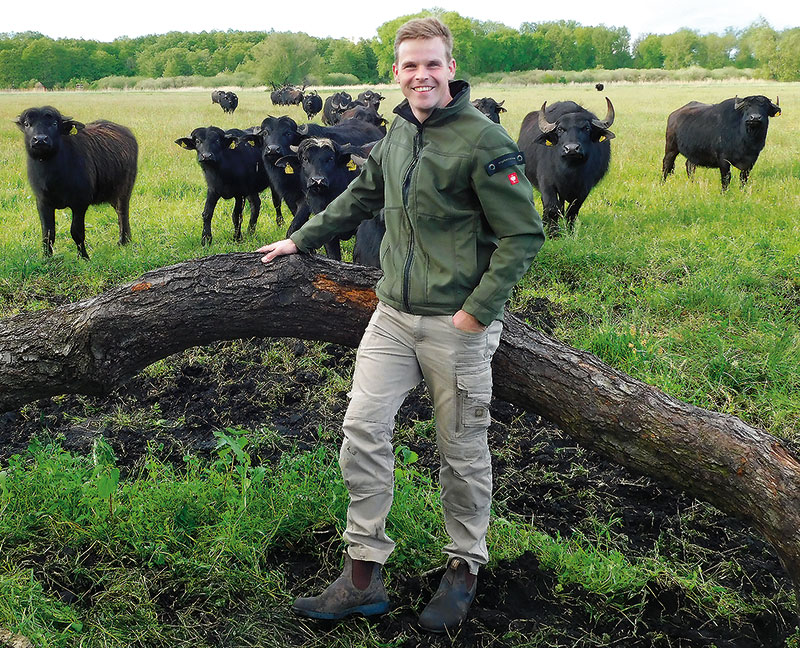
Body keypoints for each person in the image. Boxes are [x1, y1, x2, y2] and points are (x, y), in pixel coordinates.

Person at [257, 16, 545, 634]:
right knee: (361, 430)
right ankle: (363, 574)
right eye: (410, 65)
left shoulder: (484, 141)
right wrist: (299, 240)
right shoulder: (395, 137)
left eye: (432, 64)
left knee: (461, 450)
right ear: (396, 71)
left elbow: (523, 235)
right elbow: (362, 197)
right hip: (391, 316)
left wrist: (476, 312)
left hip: (456, 325)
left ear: (450, 67)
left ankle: (464, 568)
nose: (421, 75)